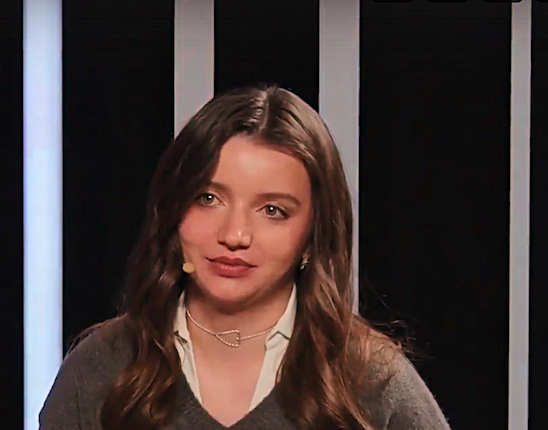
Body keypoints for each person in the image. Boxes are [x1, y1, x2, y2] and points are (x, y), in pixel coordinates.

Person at [39, 85, 452, 430]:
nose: (234, 235)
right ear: (173, 210)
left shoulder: (371, 380)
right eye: (208, 199)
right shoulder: (102, 368)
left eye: (273, 210)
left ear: (313, 236)